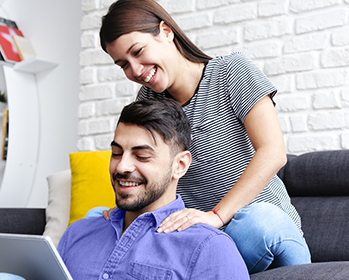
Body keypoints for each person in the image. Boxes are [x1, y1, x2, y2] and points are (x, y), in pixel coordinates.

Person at [96, 0, 311, 273]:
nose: (136, 71)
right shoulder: (149, 100)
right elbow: (144, 165)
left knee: (258, 221)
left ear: (166, 31)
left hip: (259, 229)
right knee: (95, 221)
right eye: (123, 64)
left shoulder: (231, 72)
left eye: (138, 52)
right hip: (204, 238)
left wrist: (216, 216)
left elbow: (273, 152)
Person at [60, 98, 249, 279]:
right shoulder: (77, 233)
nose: (121, 167)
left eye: (141, 156)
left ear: (180, 165)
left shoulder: (209, 248)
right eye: (116, 153)